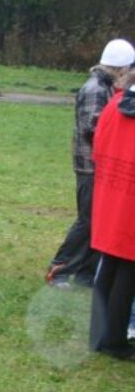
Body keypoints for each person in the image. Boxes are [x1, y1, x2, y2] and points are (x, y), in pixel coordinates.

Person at [46, 38, 135, 288]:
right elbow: (91, 127)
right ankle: (59, 269)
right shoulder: (95, 89)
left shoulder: (108, 88)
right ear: (120, 68)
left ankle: (86, 275)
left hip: (101, 167)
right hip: (89, 166)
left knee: (99, 220)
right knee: (87, 220)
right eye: (129, 69)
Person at [88, 81, 135, 361]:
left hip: (110, 198)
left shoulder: (112, 107)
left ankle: (98, 333)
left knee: (108, 268)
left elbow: (97, 149)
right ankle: (115, 339)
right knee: (128, 274)